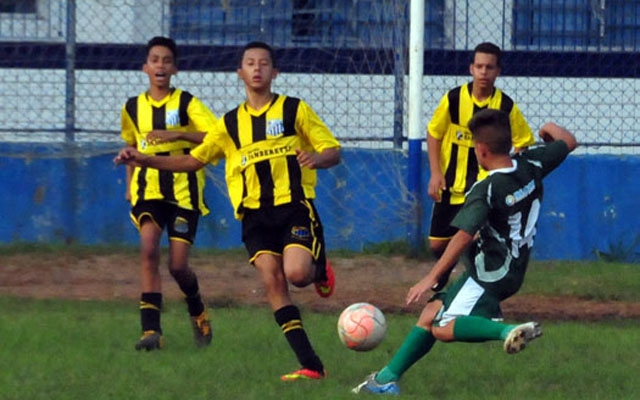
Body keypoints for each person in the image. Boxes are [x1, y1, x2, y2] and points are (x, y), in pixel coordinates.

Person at [115, 41, 339, 380]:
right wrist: (143, 158)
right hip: (254, 216)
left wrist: (317, 158)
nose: (257, 69)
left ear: (274, 72)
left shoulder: (295, 110)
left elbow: (332, 150)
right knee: (273, 281)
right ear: (240, 73)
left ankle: (318, 269)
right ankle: (312, 365)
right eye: (250, 63)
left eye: (264, 63)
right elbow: (194, 160)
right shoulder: (229, 124)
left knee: (296, 274)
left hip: (293, 207)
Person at [353, 109, 578, 395]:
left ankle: (506, 331)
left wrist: (430, 277)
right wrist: (547, 128)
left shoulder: (485, 189)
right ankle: (385, 379)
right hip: (514, 267)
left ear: (481, 150)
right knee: (432, 311)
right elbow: (568, 140)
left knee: (444, 326)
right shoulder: (531, 163)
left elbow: (462, 236)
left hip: (489, 272)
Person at [120, 36, 218, 351]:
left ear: (174, 68)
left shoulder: (187, 103)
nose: (160, 65)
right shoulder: (133, 107)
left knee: (177, 266)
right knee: (148, 250)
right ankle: (151, 332)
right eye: (155, 59)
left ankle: (197, 307)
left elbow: (216, 134)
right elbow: (133, 147)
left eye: (166, 60)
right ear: (145, 67)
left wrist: (178, 133)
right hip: (147, 190)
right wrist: (129, 185)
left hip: (183, 192)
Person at [426, 42, 535, 291]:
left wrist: (505, 174)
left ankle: (469, 286)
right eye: (479, 66)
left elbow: (523, 143)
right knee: (436, 244)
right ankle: (446, 277)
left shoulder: (506, 107)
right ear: (471, 69)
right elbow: (434, 134)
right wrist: (435, 172)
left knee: (472, 239)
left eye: (489, 67)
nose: (484, 72)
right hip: (450, 185)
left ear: (498, 71)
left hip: (482, 190)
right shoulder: (453, 99)